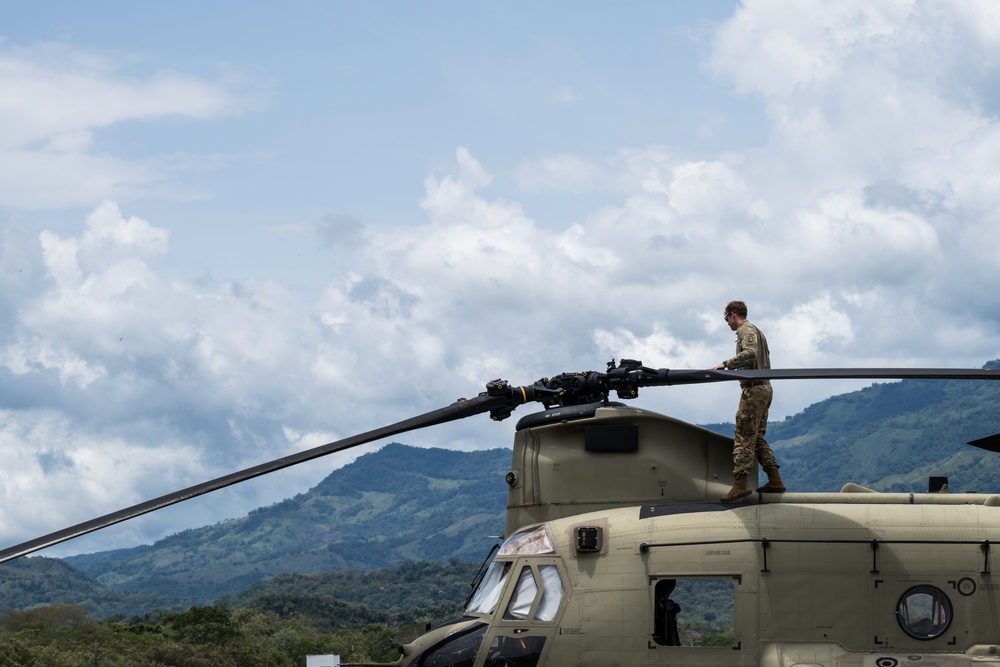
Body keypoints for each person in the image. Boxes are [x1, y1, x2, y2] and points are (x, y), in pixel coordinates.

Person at [709, 300, 785, 502]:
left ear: (734, 314)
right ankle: (775, 480)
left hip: (754, 389)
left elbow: (751, 353)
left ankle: (741, 484)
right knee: (757, 436)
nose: (727, 323)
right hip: (764, 388)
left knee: (743, 435)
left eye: (727, 318)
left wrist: (726, 364)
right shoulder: (756, 331)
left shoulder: (746, 330)